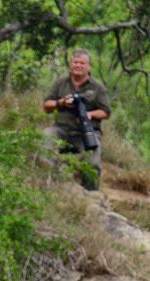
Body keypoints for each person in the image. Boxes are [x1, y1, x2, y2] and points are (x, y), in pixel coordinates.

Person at [43, 49, 111, 190]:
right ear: (70, 64)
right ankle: (46, 185)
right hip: (62, 130)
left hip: (86, 133)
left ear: (88, 66)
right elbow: (46, 106)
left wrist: (89, 114)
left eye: (82, 63)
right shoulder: (61, 83)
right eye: (75, 62)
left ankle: (91, 196)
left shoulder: (97, 87)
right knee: (46, 138)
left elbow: (106, 112)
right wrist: (60, 102)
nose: (78, 65)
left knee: (92, 164)